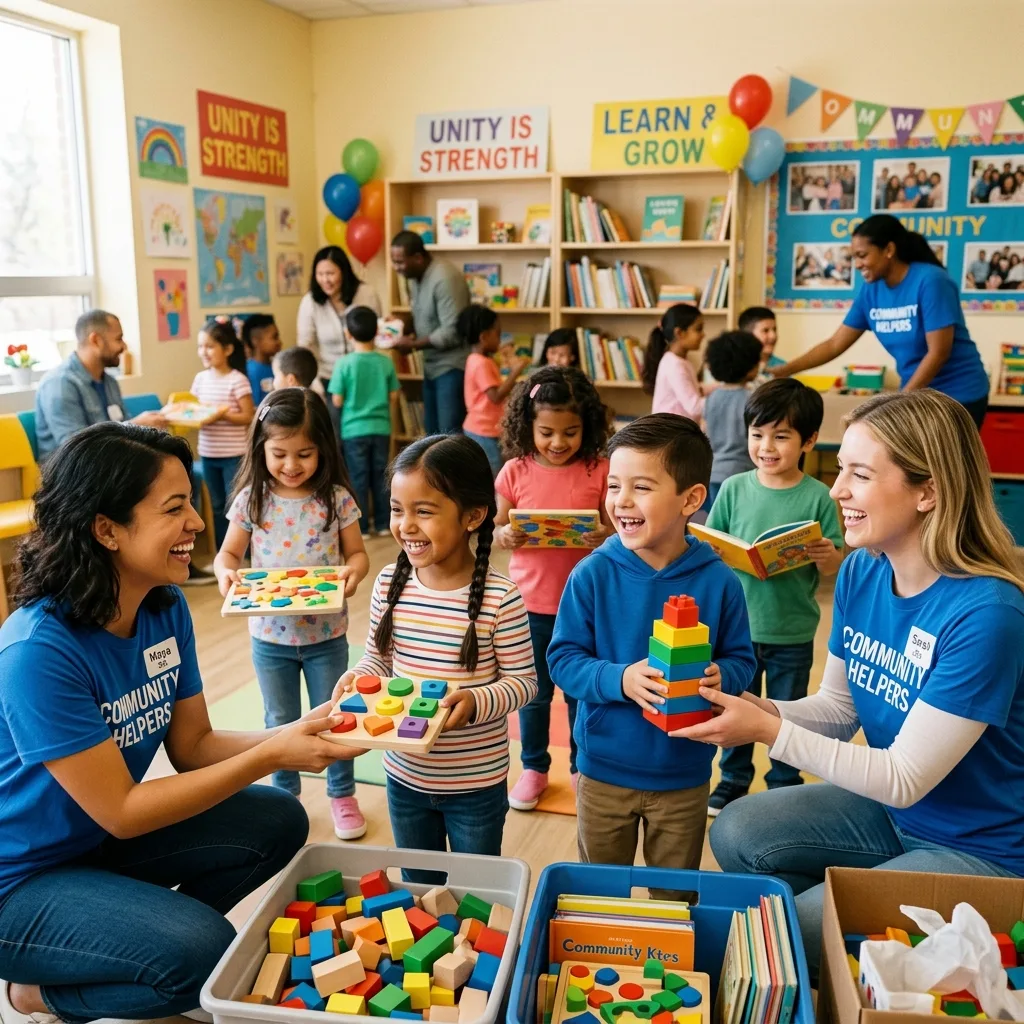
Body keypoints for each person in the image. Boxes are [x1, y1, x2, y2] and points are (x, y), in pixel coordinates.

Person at [0, 422, 363, 1022]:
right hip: (20, 882)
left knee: (276, 818)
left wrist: (301, 729)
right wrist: (271, 756)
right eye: (175, 509)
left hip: (95, 846)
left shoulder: (162, 608)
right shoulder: (38, 651)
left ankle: (131, 941)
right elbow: (121, 809)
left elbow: (193, 746)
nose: (198, 523)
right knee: (205, 952)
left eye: (191, 502)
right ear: (106, 530)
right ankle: (42, 989)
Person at [679, 390, 1024, 981]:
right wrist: (758, 706)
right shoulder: (864, 567)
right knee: (737, 832)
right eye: (841, 470)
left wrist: (767, 729)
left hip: (980, 849)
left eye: (859, 475)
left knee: (783, 933)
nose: (836, 491)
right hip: (895, 818)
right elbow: (839, 708)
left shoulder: (987, 613)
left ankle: (870, 936)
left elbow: (903, 778)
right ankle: (861, 930)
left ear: (929, 491)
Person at [548, 415, 756, 894]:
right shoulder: (592, 574)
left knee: (674, 896)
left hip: (683, 776)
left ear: (691, 499)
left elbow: (743, 660)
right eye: (614, 485)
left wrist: (718, 675)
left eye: (641, 487)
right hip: (603, 770)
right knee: (597, 892)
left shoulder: (719, 580)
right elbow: (563, 660)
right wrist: (620, 679)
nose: (621, 500)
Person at [339, 434, 537, 879]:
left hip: (475, 784)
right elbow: (378, 659)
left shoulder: (500, 599)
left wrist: (475, 703)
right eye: (397, 509)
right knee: (417, 889)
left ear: (473, 515)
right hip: (403, 775)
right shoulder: (390, 582)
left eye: (424, 511)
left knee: (476, 892)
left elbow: (524, 683)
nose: (406, 525)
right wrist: (358, 678)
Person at [214, 388, 371, 841]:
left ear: (323, 448)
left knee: (336, 720)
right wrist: (228, 575)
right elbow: (228, 555)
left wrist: (350, 576)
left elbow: (357, 554)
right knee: (279, 722)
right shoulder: (251, 499)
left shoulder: (336, 497)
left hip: (326, 635)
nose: (291, 464)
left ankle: (342, 796)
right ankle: (285, 801)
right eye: (279, 453)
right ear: (260, 448)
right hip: (270, 637)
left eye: (305, 453)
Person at [704, 379, 844, 816]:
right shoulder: (733, 487)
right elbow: (714, 543)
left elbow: (834, 563)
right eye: (758, 434)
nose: (767, 446)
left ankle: (785, 783)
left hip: (791, 629)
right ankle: (733, 779)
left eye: (781, 436)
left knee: (786, 711)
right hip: (737, 629)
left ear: (810, 441)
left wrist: (826, 554)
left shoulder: (819, 496)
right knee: (737, 704)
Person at [495, 367, 613, 810]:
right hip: (530, 604)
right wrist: (504, 534)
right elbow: (496, 525)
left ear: (589, 428)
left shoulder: (598, 469)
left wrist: (603, 534)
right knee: (535, 693)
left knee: (583, 691)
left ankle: (583, 767)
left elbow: (616, 525)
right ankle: (534, 767)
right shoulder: (515, 470)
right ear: (528, 427)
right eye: (546, 432)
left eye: (571, 431)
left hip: (587, 604)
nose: (559, 442)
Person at [772, 215, 990, 428]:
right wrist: (786, 370)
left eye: (862, 255)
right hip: (916, 393)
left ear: (889, 250)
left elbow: (939, 352)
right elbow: (834, 344)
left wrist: (899, 402)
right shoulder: (871, 291)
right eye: (854, 257)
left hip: (959, 394)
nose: (857, 264)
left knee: (942, 464)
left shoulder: (931, 281)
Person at [34, 309, 167, 459]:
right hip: (74, 475)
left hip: (109, 465)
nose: (124, 347)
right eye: (118, 339)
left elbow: (123, 429)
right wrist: (135, 424)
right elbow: (76, 447)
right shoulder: (59, 383)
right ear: (96, 340)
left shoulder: (109, 382)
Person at [328, 306, 401, 538]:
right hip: (381, 427)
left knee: (358, 476)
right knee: (381, 475)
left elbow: (337, 400)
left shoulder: (344, 363)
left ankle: (361, 526)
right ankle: (382, 523)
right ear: (376, 331)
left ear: (348, 334)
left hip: (353, 429)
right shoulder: (386, 361)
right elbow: (393, 395)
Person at [390, 231, 471, 435]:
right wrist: (397, 327)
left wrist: (413, 345)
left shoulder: (445, 278)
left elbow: (452, 331)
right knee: (432, 436)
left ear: (418, 258)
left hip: (451, 368)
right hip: (431, 367)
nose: (396, 268)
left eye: (400, 262)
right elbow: (423, 317)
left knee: (448, 436)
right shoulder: (415, 277)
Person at [297, 245, 382, 441]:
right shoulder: (310, 301)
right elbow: (305, 345)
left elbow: (376, 332)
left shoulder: (366, 293)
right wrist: (313, 382)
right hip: (328, 379)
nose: (325, 280)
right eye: (320, 274)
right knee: (334, 438)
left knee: (365, 438)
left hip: (362, 377)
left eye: (330, 273)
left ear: (343, 271)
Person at [190, 319, 255, 549]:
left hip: (234, 455)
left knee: (235, 506)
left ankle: (243, 552)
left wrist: (222, 415)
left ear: (227, 349)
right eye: (200, 346)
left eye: (209, 346)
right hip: (209, 453)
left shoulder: (237, 380)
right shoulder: (200, 379)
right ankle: (223, 552)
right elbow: (194, 411)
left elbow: (248, 416)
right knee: (217, 505)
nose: (203, 352)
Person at [460, 304, 528, 477]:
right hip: (483, 430)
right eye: (497, 334)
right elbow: (495, 396)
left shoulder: (477, 359)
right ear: (484, 337)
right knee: (493, 475)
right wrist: (516, 372)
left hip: (484, 428)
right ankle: (493, 505)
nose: (500, 340)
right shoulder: (481, 363)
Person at [701, 331, 762, 509]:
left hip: (714, 472)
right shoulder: (751, 399)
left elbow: (705, 430)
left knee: (717, 528)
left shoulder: (712, 397)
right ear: (751, 367)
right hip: (742, 473)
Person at [644, 304, 706, 422]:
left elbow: (697, 389)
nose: (703, 334)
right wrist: (722, 399)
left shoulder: (681, 361)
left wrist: (723, 388)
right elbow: (695, 407)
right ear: (679, 333)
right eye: (698, 329)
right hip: (669, 435)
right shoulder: (674, 365)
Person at [243, 313, 282, 401]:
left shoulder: (279, 366)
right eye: (274, 337)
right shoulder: (250, 371)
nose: (279, 342)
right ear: (255, 341)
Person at [738, 306, 784, 374]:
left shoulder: (783, 367)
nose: (773, 336)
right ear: (748, 335)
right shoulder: (735, 367)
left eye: (774, 329)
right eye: (765, 330)